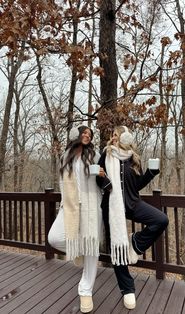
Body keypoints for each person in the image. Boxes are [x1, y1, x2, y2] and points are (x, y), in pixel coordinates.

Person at [96, 125, 169, 310]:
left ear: (125, 138)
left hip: (133, 203)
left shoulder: (133, 159)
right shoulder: (106, 155)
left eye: (117, 135)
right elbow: (98, 178)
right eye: (112, 135)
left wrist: (150, 174)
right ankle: (127, 289)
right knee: (116, 247)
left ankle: (135, 242)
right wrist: (105, 183)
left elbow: (136, 185)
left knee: (161, 220)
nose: (113, 138)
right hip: (112, 206)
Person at [48, 125, 104, 313]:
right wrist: (65, 203)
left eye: (90, 134)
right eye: (84, 133)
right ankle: (79, 249)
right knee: (54, 238)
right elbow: (63, 184)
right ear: (76, 136)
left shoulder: (94, 156)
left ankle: (85, 289)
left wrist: (103, 175)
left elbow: (104, 179)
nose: (87, 136)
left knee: (92, 246)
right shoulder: (66, 158)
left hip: (91, 204)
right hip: (70, 205)